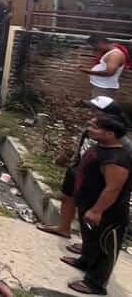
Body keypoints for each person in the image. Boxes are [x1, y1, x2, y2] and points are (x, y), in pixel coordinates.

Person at [38, 96, 132, 240]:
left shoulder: (121, 141)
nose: (91, 112)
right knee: (67, 197)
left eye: (96, 110)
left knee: (89, 206)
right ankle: (63, 228)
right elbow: (82, 146)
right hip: (79, 169)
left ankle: (87, 243)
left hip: (98, 177)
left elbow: (121, 168)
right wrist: (74, 163)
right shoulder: (91, 128)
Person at [61, 114, 132, 295]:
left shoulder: (117, 158)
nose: (89, 129)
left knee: (103, 247)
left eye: (95, 127)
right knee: (90, 239)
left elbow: (113, 189)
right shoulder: (101, 147)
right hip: (88, 204)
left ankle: (95, 283)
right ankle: (84, 261)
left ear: (109, 133)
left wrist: (96, 210)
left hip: (107, 212)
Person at [81, 35, 127, 99]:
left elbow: (109, 73)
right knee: (97, 106)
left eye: (94, 46)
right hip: (101, 86)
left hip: (104, 88)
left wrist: (89, 71)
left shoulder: (115, 54)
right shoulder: (109, 52)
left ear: (100, 43)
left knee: (101, 107)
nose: (95, 49)